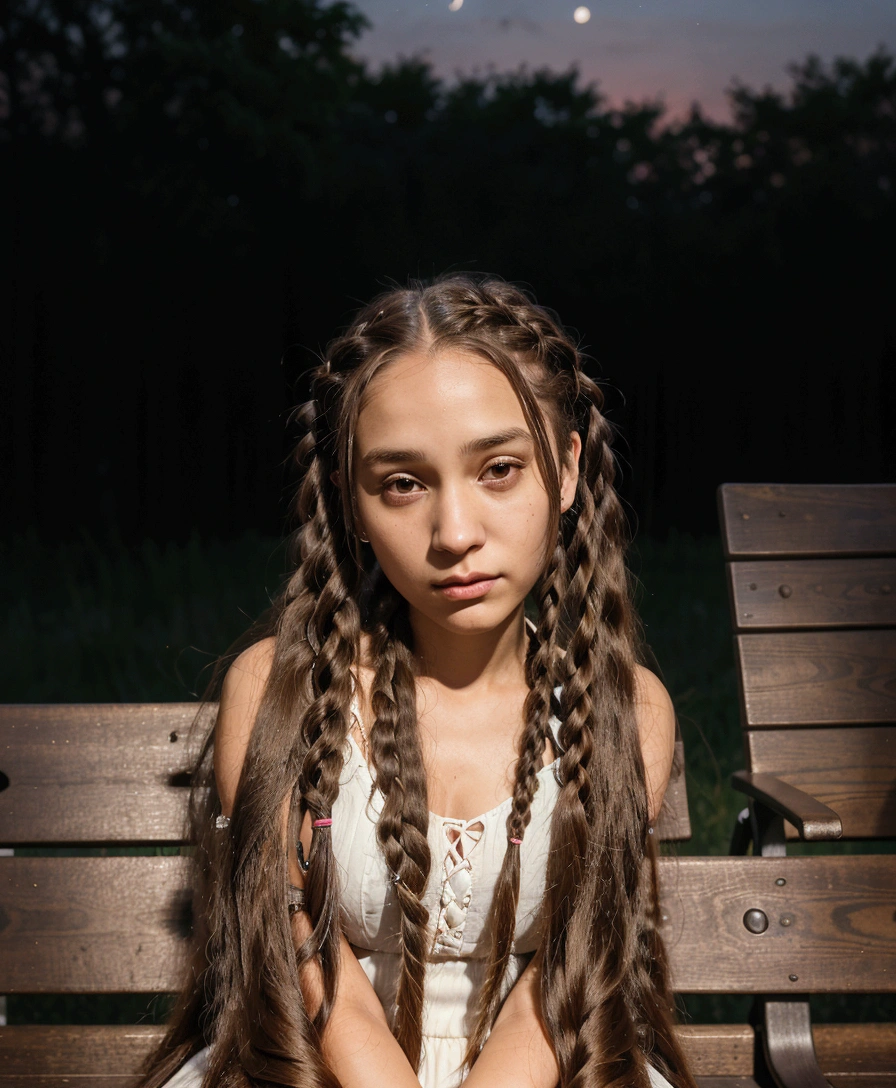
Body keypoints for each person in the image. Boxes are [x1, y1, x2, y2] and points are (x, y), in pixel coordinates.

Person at [140, 275, 696, 1088]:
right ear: (350, 501)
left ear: (568, 470)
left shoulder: (626, 709)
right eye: (403, 483)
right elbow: (305, 963)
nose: (455, 533)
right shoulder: (276, 694)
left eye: (499, 469)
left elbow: (562, 988)